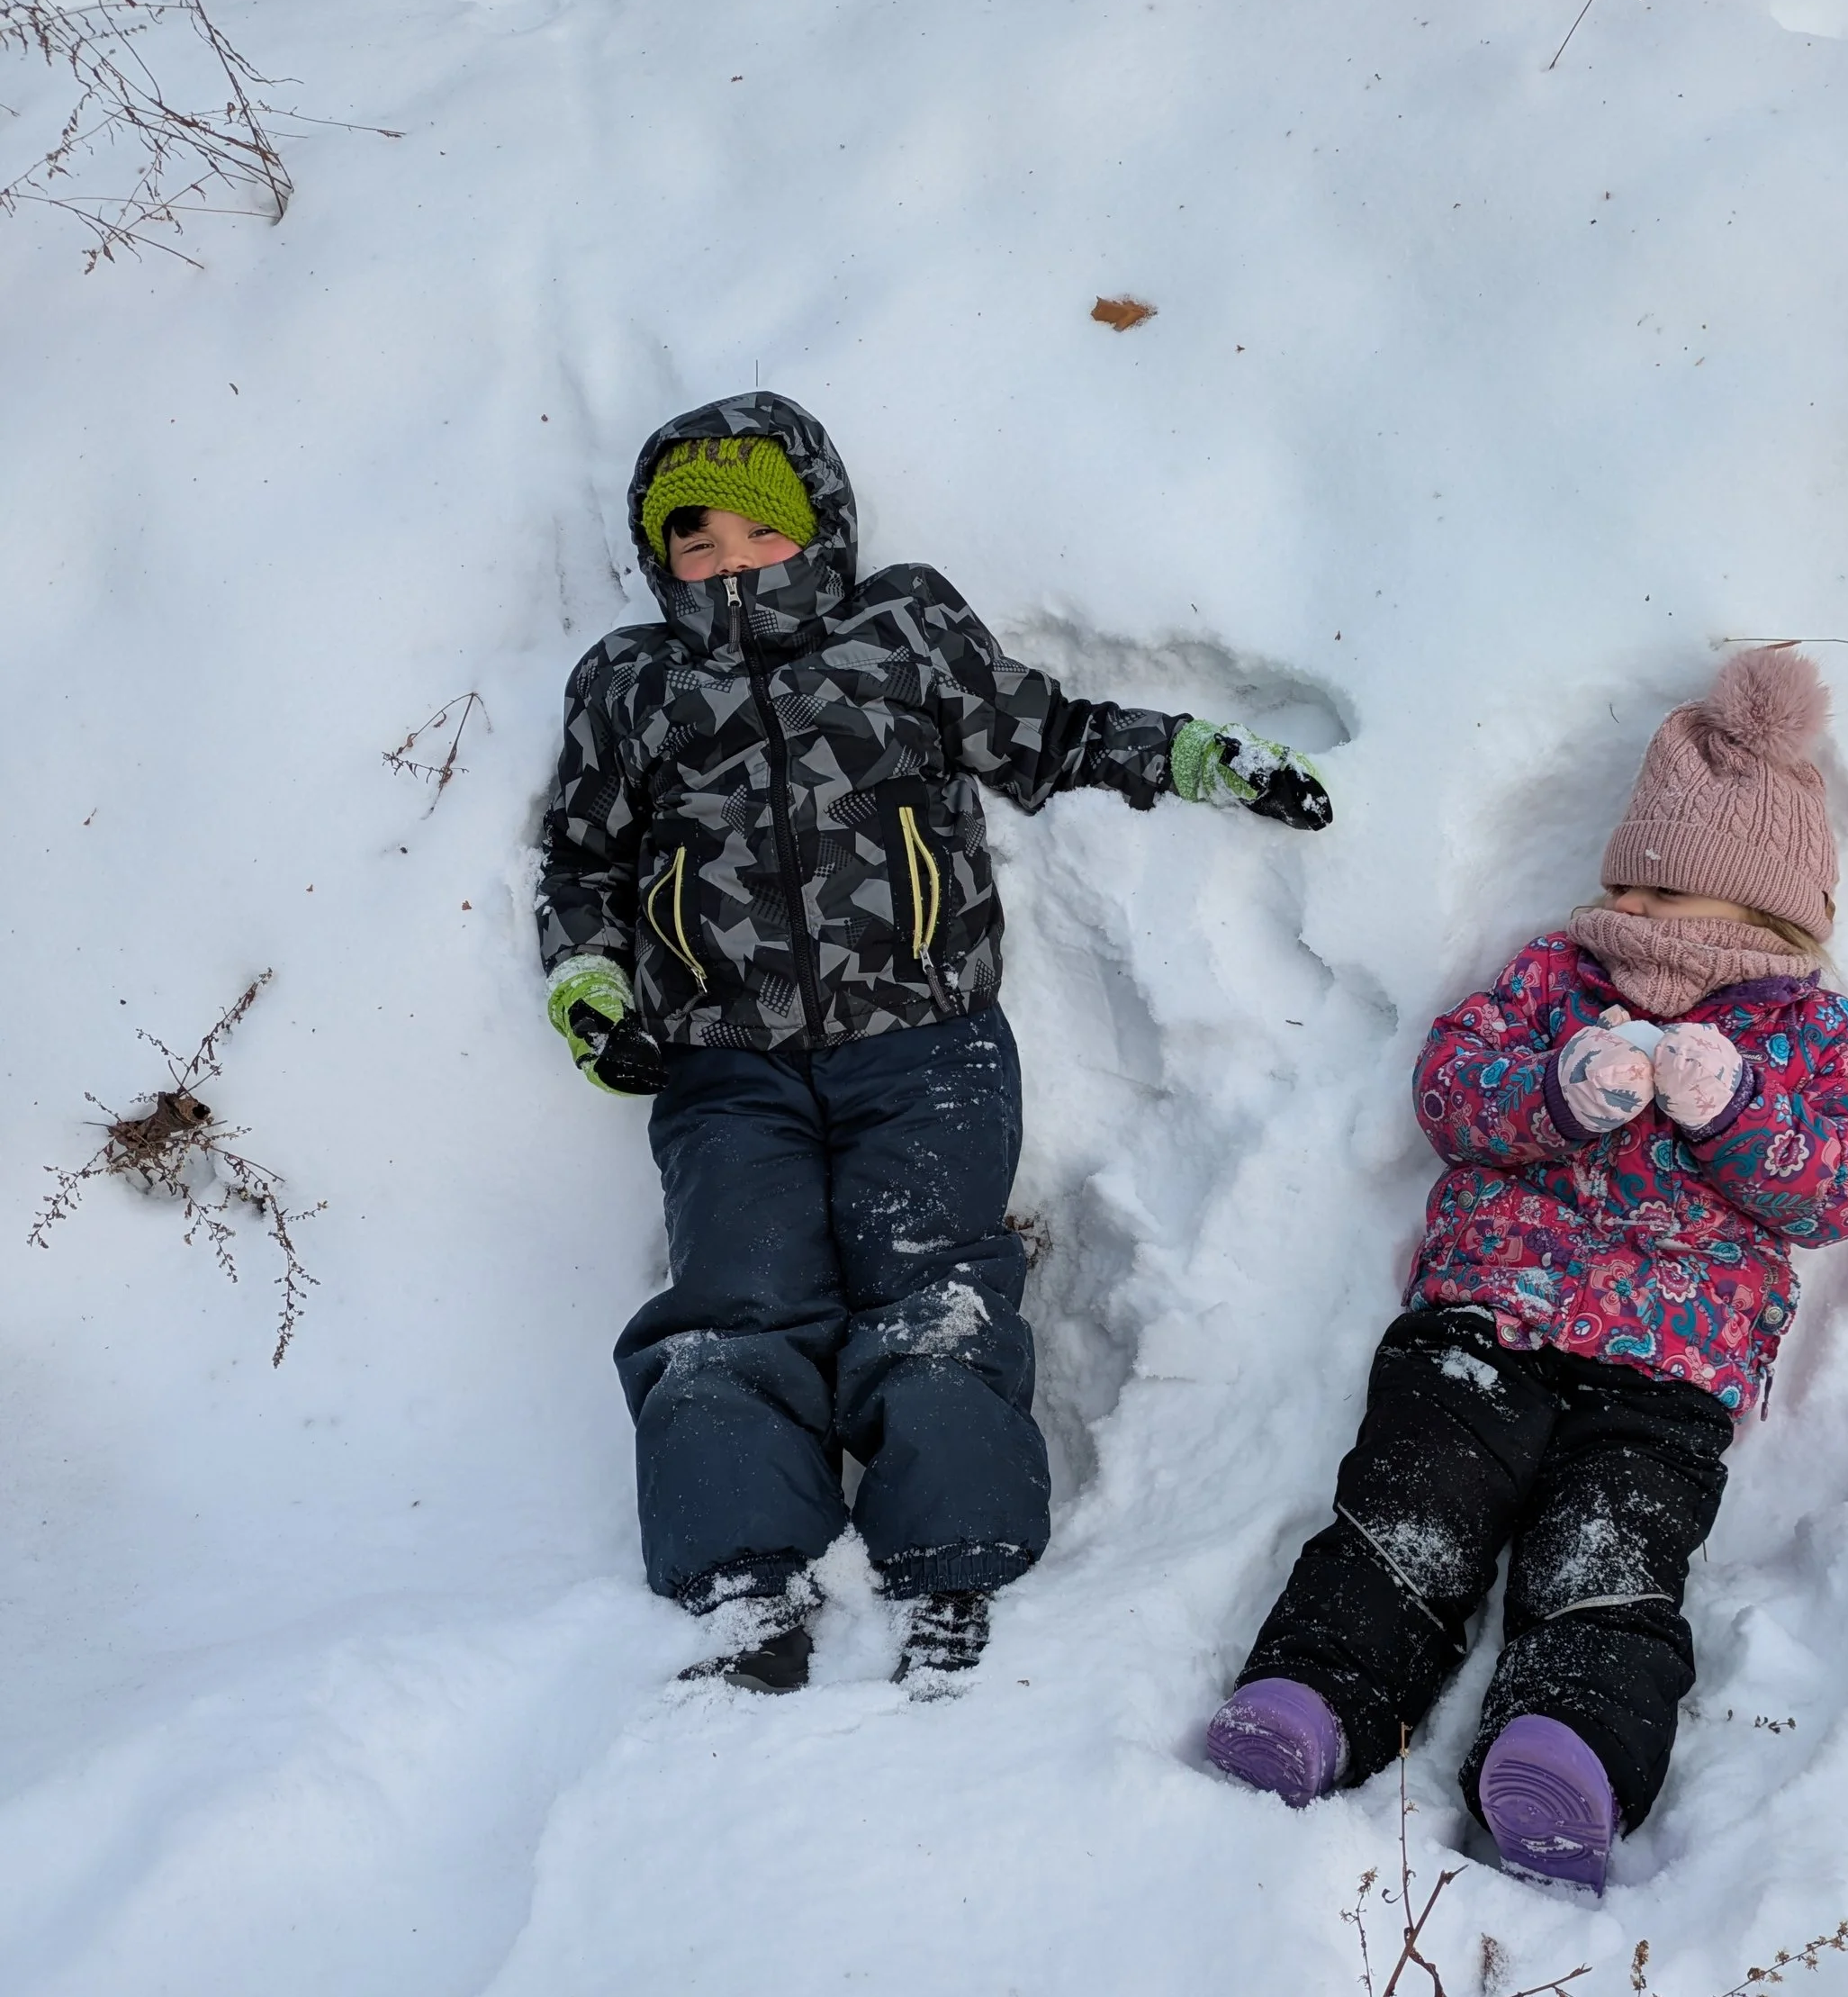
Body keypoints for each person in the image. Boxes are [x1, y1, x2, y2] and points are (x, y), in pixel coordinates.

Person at [537, 391, 1330, 1694]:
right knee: (736, 1293)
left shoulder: (900, 631)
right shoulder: (632, 686)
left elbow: (1047, 732)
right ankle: (744, 1569)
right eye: (698, 541)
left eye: (759, 532)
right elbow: (581, 857)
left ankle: (953, 1549)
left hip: (926, 1042)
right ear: (658, 555)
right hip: (723, 1061)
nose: (731, 563)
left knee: (932, 1282)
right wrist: (590, 985)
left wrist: (1196, 755)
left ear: (821, 530)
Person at [1203, 646, 1848, 1891]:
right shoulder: (1551, 980)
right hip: (1486, 1325)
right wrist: (1556, 1092)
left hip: (1664, 1374)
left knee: (1615, 1557)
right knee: (1408, 1508)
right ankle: (1314, 1696)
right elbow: (1450, 1095)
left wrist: (1738, 1110)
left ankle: (1565, 1749)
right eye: (1640, 900)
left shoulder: (1810, 1035)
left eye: (1698, 913)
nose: (1655, 934)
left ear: (1778, 924)